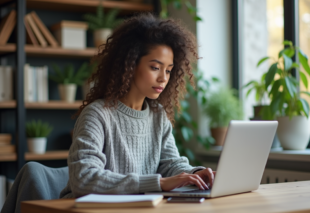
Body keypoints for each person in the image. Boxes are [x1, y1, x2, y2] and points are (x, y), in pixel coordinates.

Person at [60, 13, 215, 198]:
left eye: (168, 70)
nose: (163, 78)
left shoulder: (157, 115)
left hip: (137, 206)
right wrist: (158, 183)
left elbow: (170, 164)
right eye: (155, 68)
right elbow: (84, 179)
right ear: (130, 64)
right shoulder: (97, 114)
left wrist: (195, 175)